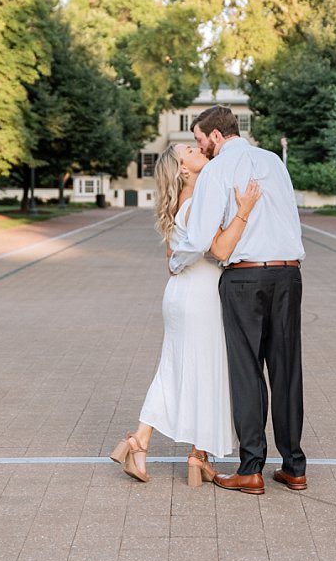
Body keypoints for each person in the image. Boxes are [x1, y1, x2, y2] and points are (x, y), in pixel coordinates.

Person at [171, 105, 307, 496]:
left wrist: (177, 263)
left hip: (244, 275)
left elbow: (198, 239)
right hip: (287, 272)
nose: (200, 148)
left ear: (215, 137)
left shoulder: (217, 169)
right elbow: (291, 218)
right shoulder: (274, 162)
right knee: (286, 369)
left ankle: (251, 468)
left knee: (247, 370)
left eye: (199, 140)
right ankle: (294, 466)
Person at [110, 143, 261, 485]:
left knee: (175, 369)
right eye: (191, 150)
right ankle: (196, 455)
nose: (200, 150)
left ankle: (141, 442)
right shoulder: (197, 203)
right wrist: (244, 211)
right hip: (203, 294)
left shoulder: (176, 205)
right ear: (183, 169)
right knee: (206, 372)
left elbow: (171, 260)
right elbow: (220, 248)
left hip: (179, 294)